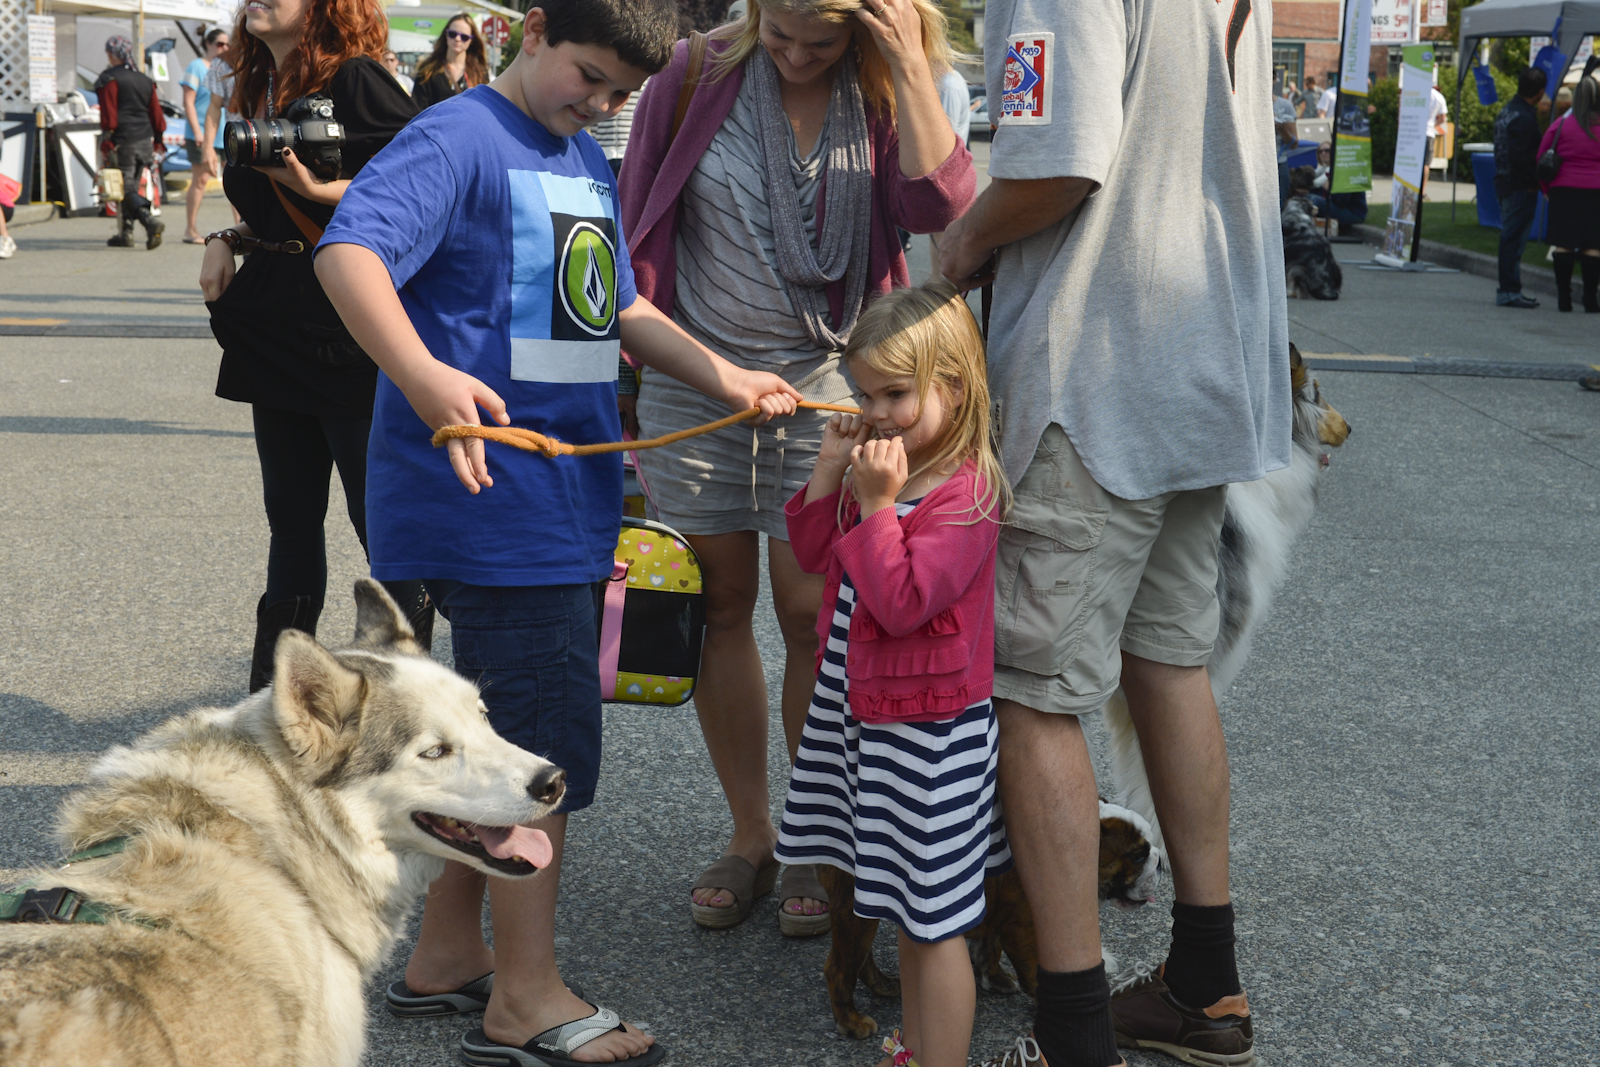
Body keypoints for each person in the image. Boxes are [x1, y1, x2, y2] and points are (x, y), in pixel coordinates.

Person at [313, 1, 803, 1062]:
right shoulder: (458, 136)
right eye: (588, 75)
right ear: (530, 32)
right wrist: (429, 377)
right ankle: (524, 996)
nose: (602, 102)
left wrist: (723, 374)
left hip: (560, 506)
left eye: (622, 92)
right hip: (494, 509)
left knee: (503, 739)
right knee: (539, 754)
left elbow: (616, 305)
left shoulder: (580, 154)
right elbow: (348, 253)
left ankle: (448, 954)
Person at [938, 0, 1291, 1056]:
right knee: (1166, 661)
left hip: (1092, 371)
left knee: (1030, 692)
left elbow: (1060, 162)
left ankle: (1073, 1023)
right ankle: (1201, 978)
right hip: (1203, 354)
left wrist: (955, 244)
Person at [617, 0, 975, 936]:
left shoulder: (888, 86)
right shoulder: (695, 72)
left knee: (814, 612)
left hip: (832, 379)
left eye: (822, 41)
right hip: (697, 374)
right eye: (780, 35)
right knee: (721, 607)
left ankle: (822, 840)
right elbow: (632, 225)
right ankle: (752, 834)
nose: (797, 56)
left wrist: (902, 65)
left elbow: (941, 204)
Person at [775, 282, 1008, 1067]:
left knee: (934, 917)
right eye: (864, 393)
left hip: (929, 736)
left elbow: (903, 601)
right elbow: (813, 557)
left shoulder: (965, 492)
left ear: (954, 385)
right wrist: (829, 475)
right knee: (899, 900)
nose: (874, 412)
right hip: (866, 720)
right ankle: (918, 1044)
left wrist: (876, 508)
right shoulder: (890, 472)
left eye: (895, 394)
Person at [197, 0, 430, 690]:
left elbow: (428, 181)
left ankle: (408, 696)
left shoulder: (356, 78)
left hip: (347, 324)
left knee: (377, 523)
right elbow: (259, 199)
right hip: (274, 321)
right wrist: (226, 236)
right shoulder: (256, 82)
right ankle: (272, 704)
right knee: (290, 523)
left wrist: (325, 188)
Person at [95, 36, 166, 250]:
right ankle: (125, 233)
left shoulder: (109, 79)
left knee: (124, 188)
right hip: (145, 138)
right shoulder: (144, 79)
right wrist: (158, 140)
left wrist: (107, 142)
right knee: (130, 186)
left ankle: (148, 221)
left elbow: (109, 116)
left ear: (110, 53)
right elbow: (157, 113)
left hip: (122, 140)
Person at [1539, 75, 1600, 314]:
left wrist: (1547, 190)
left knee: (1562, 244)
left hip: (1563, 190)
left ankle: (1563, 297)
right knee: (1593, 246)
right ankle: (1589, 298)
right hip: (1596, 192)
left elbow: (1542, 157)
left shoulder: (1562, 125)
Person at [1492, 66, 1547, 309]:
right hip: (1518, 186)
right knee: (1513, 239)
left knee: (1510, 236)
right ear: (1540, 92)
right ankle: (1509, 290)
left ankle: (1509, 288)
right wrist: (1530, 184)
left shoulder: (1509, 111)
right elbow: (1520, 157)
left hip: (1505, 182)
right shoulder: (1524, 118)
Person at [180, 28, 230, 244]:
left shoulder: (224, 67)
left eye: (227, 45)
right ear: (208, 44)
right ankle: (190, 229)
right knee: (200, 180)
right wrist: (197, 131)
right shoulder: (196, 66)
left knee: (235, 180)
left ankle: (244, 227)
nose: (224, 48)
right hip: (201, 131)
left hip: (224, 131)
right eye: (220, 44)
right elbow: (188, 102)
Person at [411, 13, 488, 109]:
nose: (457, 39)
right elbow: (417, 109)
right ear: (446, 34)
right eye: (453, 34)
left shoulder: (480, 72)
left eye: (464, 37)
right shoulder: (428, 70)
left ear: (471, 40)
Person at [1310, 140, 1368, 229]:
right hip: (1339, 206)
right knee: (1307, 198)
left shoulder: (1345, 170)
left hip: (1353, 212)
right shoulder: (1324, 171)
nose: (1323, 153)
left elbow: (1341, 201)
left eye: (1327, 150)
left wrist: (1329, 188)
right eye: (1320, 151)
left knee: (1315, 200)